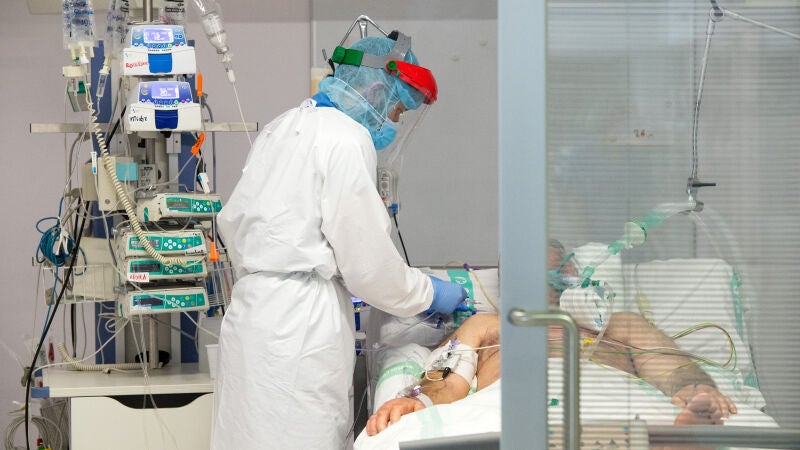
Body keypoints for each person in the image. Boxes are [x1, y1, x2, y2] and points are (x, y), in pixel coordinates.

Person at [210, 21, 468, 449]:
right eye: (397, 110)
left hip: (252, 315)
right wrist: (430, 293)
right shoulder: (347, 139)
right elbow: (370, 269)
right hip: (299, 328)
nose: (394, 123)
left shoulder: (282, 127)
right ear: (376, 91)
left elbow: (242, 226)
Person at [365, 240, 739, 437]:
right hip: (512, 399)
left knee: (631, 419)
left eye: (559, 265)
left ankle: (676, 437)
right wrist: (421, 399)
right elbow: (448, 373)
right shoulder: (488, 324)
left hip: (603, 395)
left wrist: (693, 388)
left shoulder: (615, 325)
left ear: (573, 273)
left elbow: (671, 366)